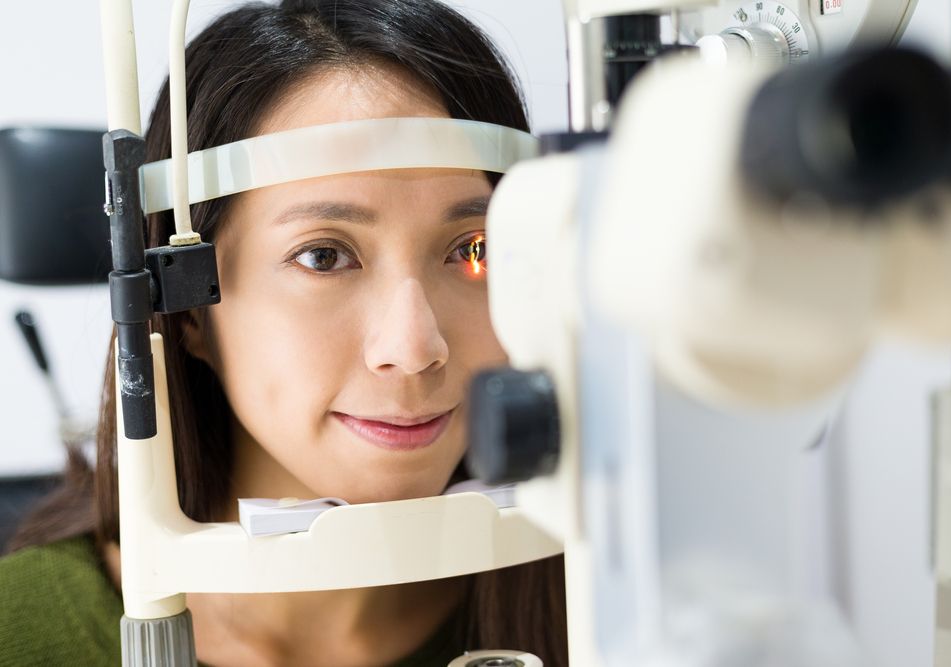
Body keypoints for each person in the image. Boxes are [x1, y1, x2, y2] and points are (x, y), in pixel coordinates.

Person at [0, 1, 569, 664]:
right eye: (324, 255)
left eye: (472, 247)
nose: (414, 347)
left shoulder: (602, 593)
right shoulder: (24, 637)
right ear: (189, 308)